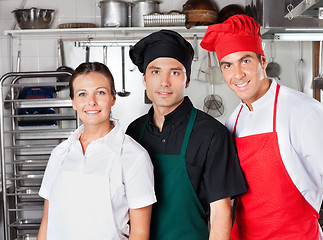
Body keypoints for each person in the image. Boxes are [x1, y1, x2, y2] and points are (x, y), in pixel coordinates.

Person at [200, 14, 323, 240]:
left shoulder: (303, 112)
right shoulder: (234, 119)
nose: (237, 74)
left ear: (262, 62)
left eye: (245, 61)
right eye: (227, 65)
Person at [126, 29, 247, 240]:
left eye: (175, 72)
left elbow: (220, 214)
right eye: (155, 72)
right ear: (144, 79)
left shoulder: (212, 134)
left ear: (187, 80)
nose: (164, 82)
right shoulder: (133, 132)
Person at [37, 62, 156, 240]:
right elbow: (47, 222)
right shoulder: (60, 153)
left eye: (100, 92)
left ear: (113, 98)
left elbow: (139, 233)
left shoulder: (133, 156)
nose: (91, 102)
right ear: (74, 102)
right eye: (82, 94)